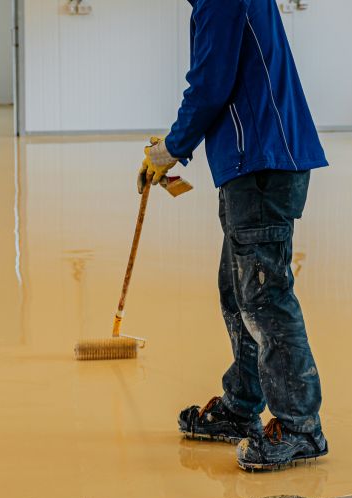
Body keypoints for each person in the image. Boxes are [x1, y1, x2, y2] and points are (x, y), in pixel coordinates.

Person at [139, 0, 329, 471]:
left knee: (263, 297)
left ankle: (300, 426)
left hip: (262, 161)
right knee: (239, 291)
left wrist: (170, 148)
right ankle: (243, 405)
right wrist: (172, 147)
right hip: (252, 162)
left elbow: (210, 84)